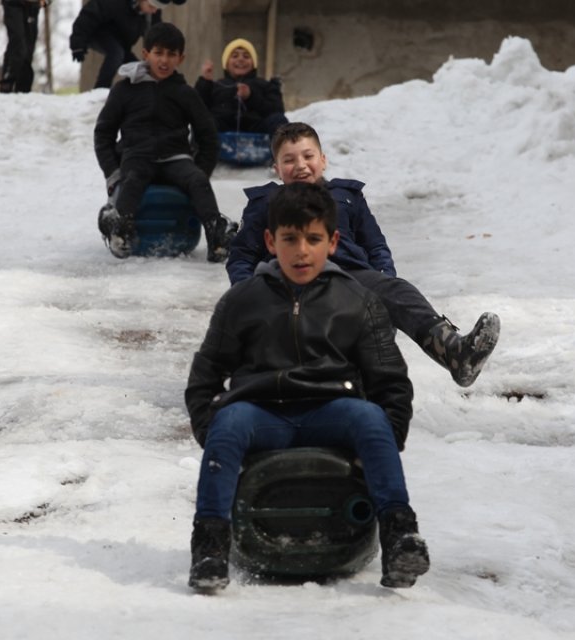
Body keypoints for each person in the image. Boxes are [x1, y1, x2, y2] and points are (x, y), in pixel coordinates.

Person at [185, 181, 430, 592]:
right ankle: (209, 547)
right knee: (229, 423)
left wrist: (388, 439)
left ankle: (400, 535)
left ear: (333, 242)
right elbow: (205, 375)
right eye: (290, 239)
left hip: (333, 408)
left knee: (370, 418)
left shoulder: (358, 300)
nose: (302, 250)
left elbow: (390, 378)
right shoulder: (243, 300)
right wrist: (211, 431)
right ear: (270, 240)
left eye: (313, 239)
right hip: (262, 412)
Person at [226, 122, 501, 387]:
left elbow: (376, 246)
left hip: (351, 278)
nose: (300, 165)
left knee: (399, 291)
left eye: (308, 156)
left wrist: (383, 280)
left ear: (323, 160)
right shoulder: (265, 204)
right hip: (291, 282)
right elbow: (241, 256)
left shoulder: (346, 196)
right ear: (276, 168)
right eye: (289, 160)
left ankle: (454, 353)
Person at [93, 22, 237, 261]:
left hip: (175, 158)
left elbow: (208, 135)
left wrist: (200, 169)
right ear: (146, 54)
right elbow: (104, 133)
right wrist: (112, 172)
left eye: (171, 54)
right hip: (137, 157)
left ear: (181, 58)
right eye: (158, 53)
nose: (164, 60)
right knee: (132, 180)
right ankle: (120, 230)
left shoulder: (185, 94)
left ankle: (217, 235)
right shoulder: (125, 90)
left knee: (197, 181)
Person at [70, 0, 183, 90]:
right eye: (151, 6)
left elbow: (157, 36)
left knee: (139, 67)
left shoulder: (151, 14)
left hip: (120, 43)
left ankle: (145, 92)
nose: (154, 11)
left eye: (157, 8)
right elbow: (89, 15)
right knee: (116, 53)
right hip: (97, 32)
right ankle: (100, 90)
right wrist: (77, 44)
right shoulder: (116, 3)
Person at [195, 38, 288, 134]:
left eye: (246, 56)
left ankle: (283, 148)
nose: (240, 59)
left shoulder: (265, 85)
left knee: (278, 120)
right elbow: (198, 108)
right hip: (221, 130)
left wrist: (251, 96)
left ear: (253, 63)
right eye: (235, 56)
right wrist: (205, 82)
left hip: (257, 128)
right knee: (204, 122)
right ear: (226, 63)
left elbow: (276, 110)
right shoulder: (216, 86)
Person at [0, 0, 46, 93]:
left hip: (32, 6)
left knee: (29, 48)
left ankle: (23, 89)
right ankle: (7, 82)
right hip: (13, 4)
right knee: (18, 43)